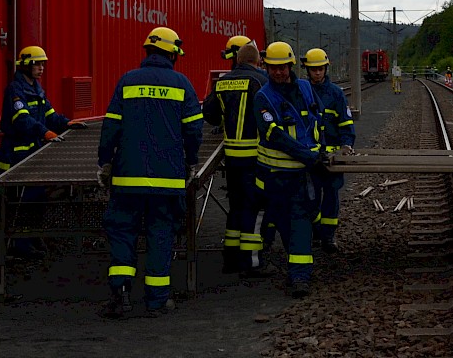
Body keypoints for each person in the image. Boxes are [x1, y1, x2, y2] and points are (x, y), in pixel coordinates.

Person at [98, 26, 203, 318]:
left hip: (127, 178)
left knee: (123, 233)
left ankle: (120, 295)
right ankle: (157, 300)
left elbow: (111, 127)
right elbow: (194, 129)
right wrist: (191, 161)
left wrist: (104, 162)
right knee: (161, 234)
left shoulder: (127, 81)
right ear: (172, 53)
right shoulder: (182, 84)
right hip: (167, 179)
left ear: (148, 51)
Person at [254, 41, 325, 298]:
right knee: (286, 224)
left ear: (291, 65)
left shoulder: (306, 89)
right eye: (273, 68)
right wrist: (308, 156)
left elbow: (317, 121)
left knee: (301, 223)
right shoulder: (263, 97)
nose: (278, 72)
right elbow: (274, 135)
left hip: (305, 174)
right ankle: (298, 270)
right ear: (266, 67)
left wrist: (322, 151)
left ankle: (300, 277)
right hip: (278, 177)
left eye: (282, 67)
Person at [0, 45, 82, 257]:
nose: (41, 67)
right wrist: (45, 133)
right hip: (17, 156)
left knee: (36, 200)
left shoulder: (36, 88)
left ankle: (31, 238)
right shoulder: (16, 90)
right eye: (37, 63)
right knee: (22, 203)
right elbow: (22, 120)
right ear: (25, 64)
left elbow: (50, 115)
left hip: (32, 155)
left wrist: (67, 123)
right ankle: (19, 246)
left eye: (43, 63)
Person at [203, 36, 270, 275]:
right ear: (257, 61)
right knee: (255, 208)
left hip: (232, 157)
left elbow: (209, 114)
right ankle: (251, 263)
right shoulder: (261, 80)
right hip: (256, 157)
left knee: (235, 206)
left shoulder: (221, 83)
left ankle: (230, 259)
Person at [302, 48, 355, 253]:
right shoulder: (302, 91)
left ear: (326, 68)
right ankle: (317, 230)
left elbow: (346, 123)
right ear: (308, 70)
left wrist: (346, 145)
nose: (317, 73)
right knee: (311, 196)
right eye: (313, 69)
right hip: (311, 157)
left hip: (333, 158)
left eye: (320, 69)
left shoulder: (336, 94)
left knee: (331, 196)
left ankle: (328, 237)